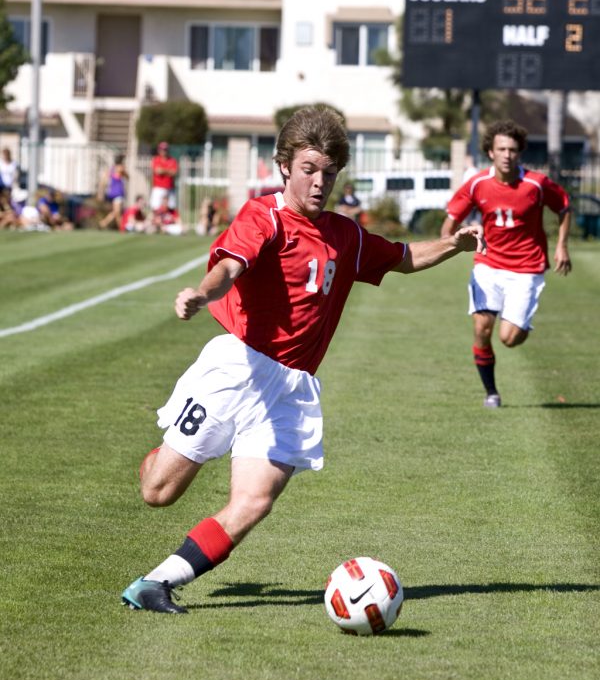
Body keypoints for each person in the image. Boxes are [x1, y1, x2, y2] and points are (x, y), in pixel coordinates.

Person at [121, 105, 483, 614]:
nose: (319, 182)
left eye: (329, 173)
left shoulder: (347, 236)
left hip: (291, 390)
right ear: (285, 166)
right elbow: (228, 267)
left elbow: (402, 258)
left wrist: (453, 244)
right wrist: (203, 293)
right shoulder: (263, 216)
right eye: (309, 169)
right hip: (237, 368)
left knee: (255, 501)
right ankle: (164, 454)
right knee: (158, 492)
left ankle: (156, 583)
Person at [441, 119, 571, 409]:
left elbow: (563, 205)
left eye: (512, 149)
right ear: (491, 152)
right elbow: (449, 223)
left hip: (527, 269)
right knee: (482, 329)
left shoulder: (536, 184)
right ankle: (491, 393)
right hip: (488, 265)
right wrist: (450, 244)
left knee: (509, 338)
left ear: (519, 152)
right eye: (501, 148)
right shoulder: (477, 184)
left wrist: (562, 245)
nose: (507, 155)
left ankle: (519, 320)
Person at [99, 154, 128, 229]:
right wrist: (101, 191)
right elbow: (103, 181)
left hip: (119, 193)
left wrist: (123, 172)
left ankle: (106, 223)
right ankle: (120, 228)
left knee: (117, 212)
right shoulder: (112, 169)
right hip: (113, 194)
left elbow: (127, 177)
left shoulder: (120, 169)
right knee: (117, 212)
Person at [150, 141, 178, 211]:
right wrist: (169, 171)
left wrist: (163, 171)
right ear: (159, 150)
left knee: (171, 208)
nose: (164, 151)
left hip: (170, 188)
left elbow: (174, 172)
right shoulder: (156, 159)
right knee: (156, 208)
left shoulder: (172, 160)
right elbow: (157, 171)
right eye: (162, 149)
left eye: (165, 149)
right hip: (158, 187)